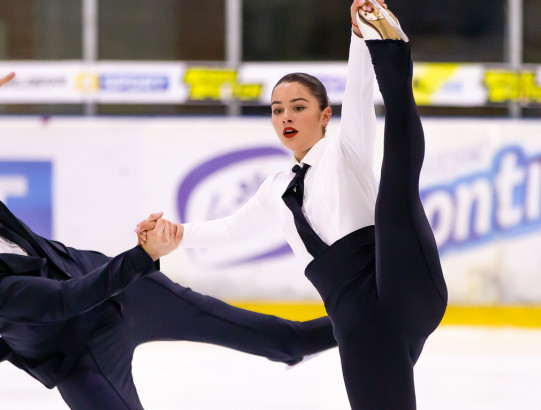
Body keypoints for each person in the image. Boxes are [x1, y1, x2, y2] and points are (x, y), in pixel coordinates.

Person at [0, 72, 338, 409]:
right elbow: (62, 302)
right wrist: (143, 256)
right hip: (76, 351)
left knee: (284, 341)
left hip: (121, 288)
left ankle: (370, 317)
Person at [138, 0, 448, 408]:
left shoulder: (346, 151)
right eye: (277, 110)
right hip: (357, 318)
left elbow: (358, 92)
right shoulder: (275, 189)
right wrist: (176, 235)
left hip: (399, 277)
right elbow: (233, 229)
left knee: (397, 184)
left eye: (299, 108)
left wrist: (359, 35)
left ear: (324, 116)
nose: (286, 116)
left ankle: (392, 51)